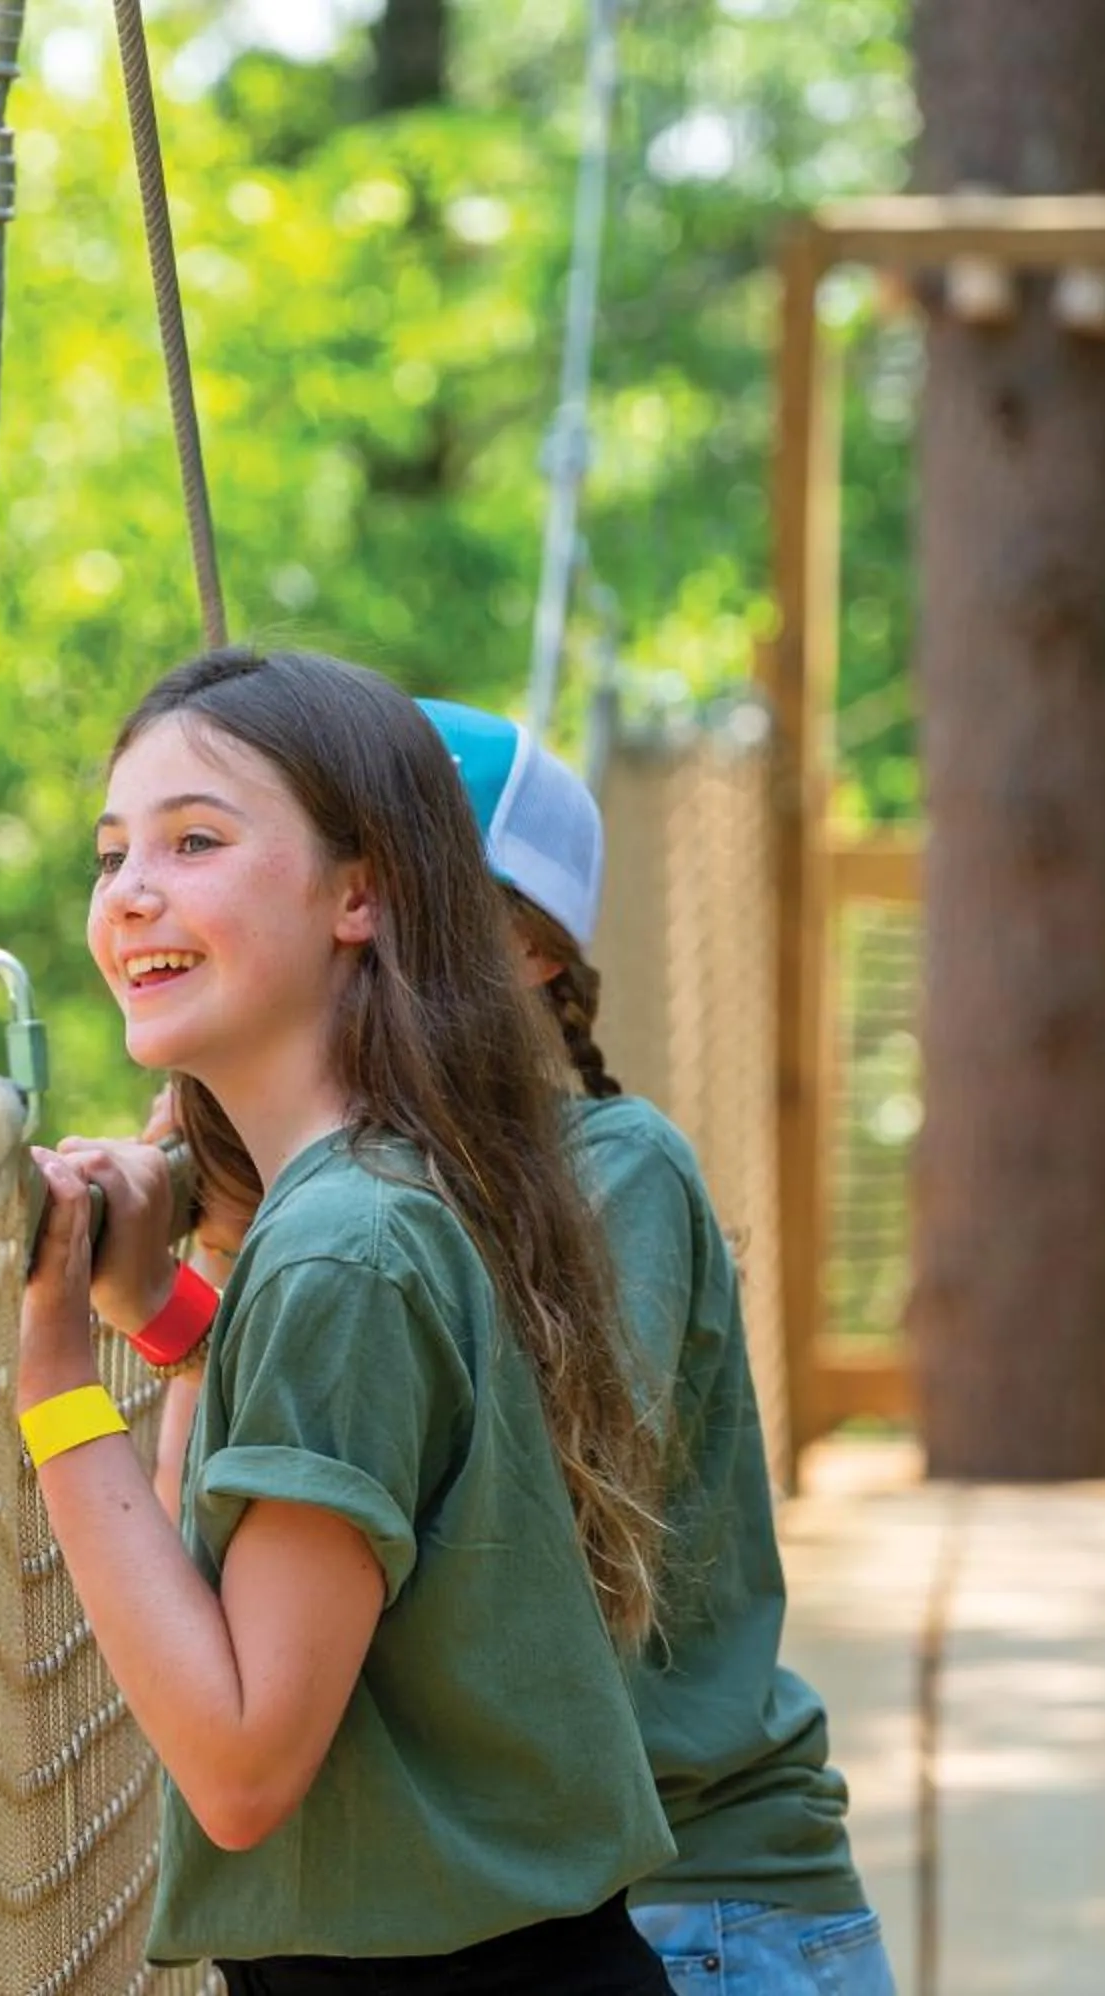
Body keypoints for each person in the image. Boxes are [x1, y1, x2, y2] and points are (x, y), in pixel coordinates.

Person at [17, 644, 679, 1993]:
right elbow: (224, 1592)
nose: (132, 891)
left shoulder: (347, 1248)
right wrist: (168, 1319)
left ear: (359, 893)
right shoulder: (362, 1205)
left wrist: (51, 1383)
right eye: (111, 854)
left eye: (195, 840)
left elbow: (245, 1763)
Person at [416, 697, 898, 1996]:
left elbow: (540, 1547)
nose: (345, 922)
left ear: (529, 945)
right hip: (553, 1915)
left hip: (700, 1916)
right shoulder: (339, 1192)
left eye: (392, 888)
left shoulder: (611, 1175)